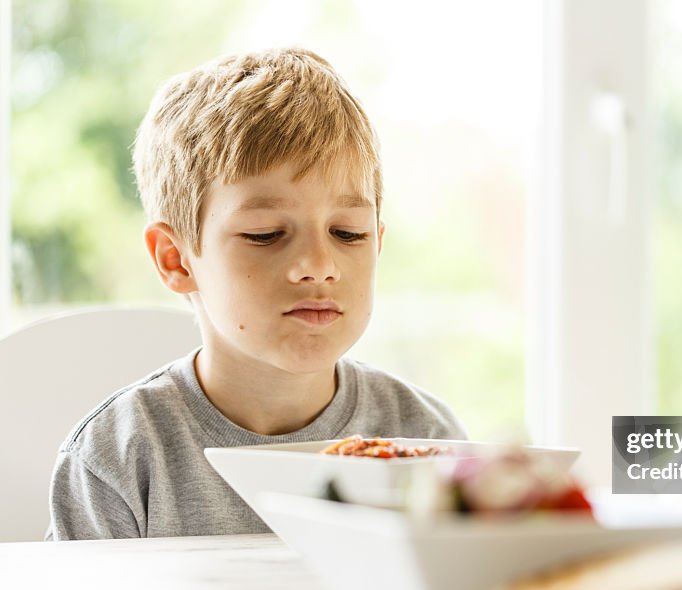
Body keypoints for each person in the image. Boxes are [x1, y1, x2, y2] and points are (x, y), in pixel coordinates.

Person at [46, 47, 466, 540]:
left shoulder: (427, 439)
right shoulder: (116, 457)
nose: (319, 266)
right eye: (266, 234)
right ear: (176, 259)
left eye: (349, 233)